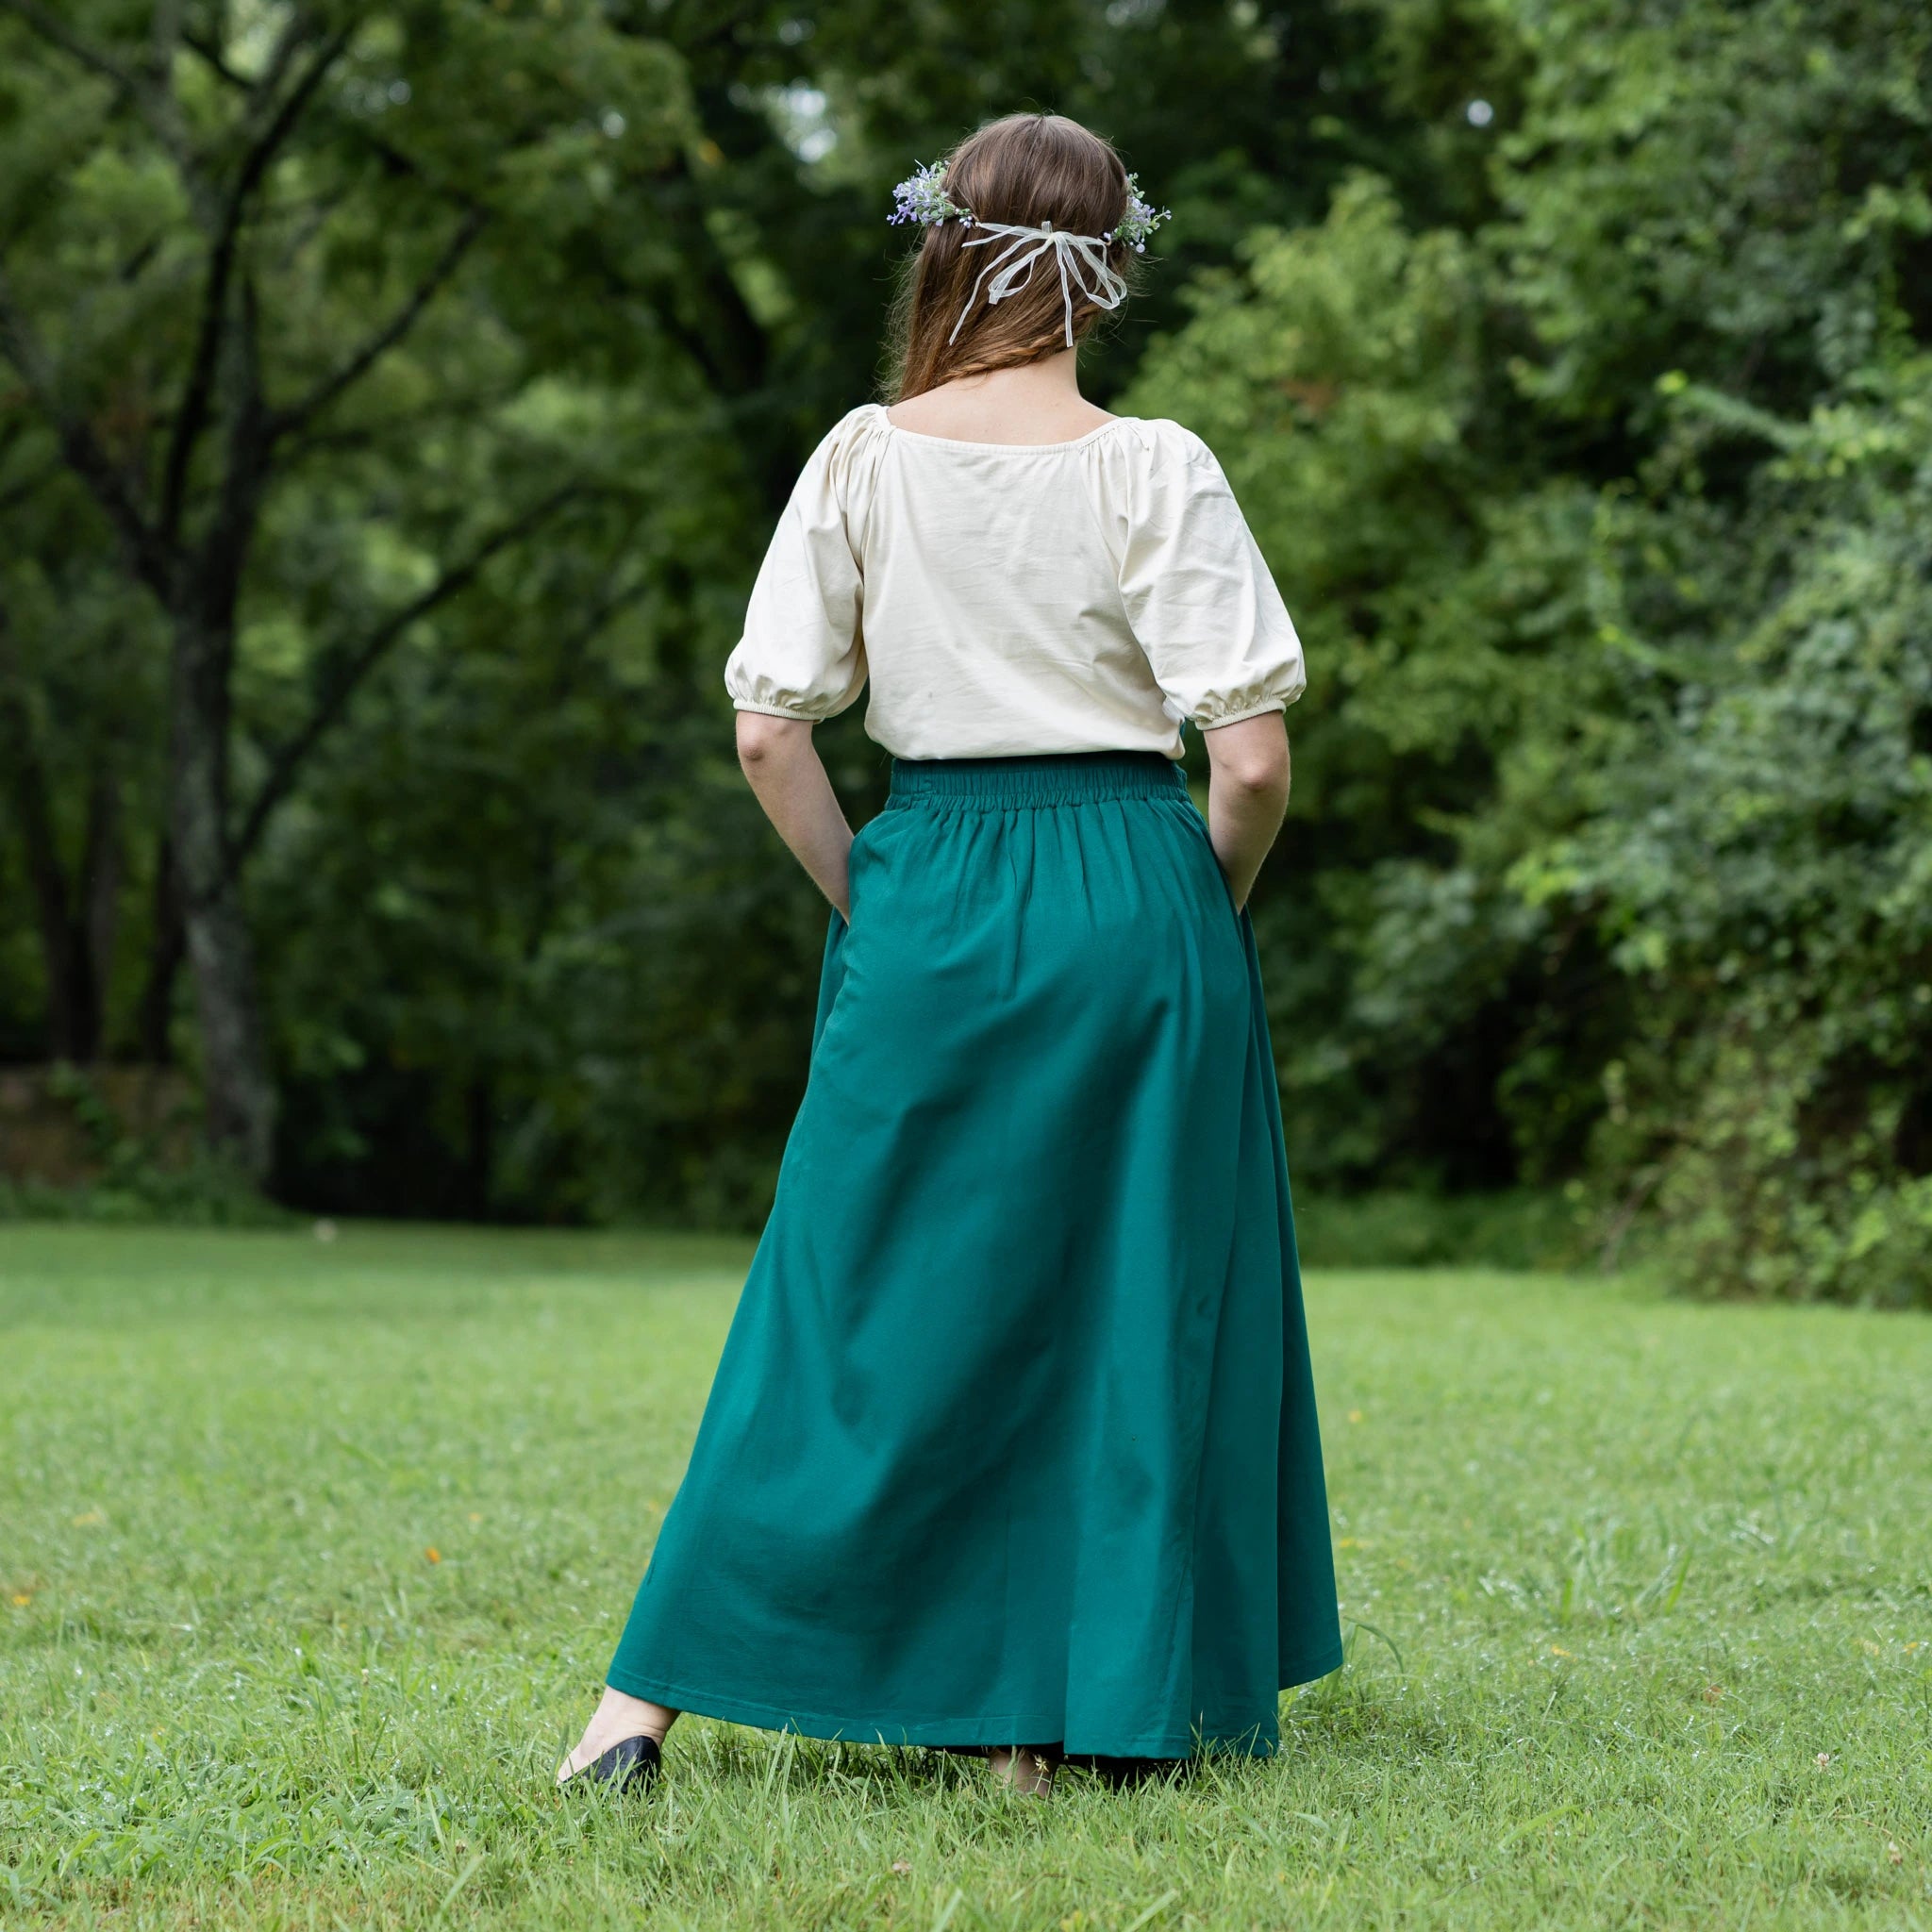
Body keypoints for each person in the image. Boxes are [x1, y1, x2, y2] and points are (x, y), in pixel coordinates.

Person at [558, 110, 1341, 1800]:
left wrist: (874, 902)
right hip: (1139, 885)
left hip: (930, 880)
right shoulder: (1156, 466)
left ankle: (635, 1712)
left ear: (945, 246)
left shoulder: (861, 456)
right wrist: (1193, 907)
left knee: (841, 1296)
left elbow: (773, 730)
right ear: (1106, 268)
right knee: (1119, 1293)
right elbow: (1255, 759)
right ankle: (1038, 1722)